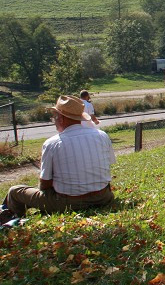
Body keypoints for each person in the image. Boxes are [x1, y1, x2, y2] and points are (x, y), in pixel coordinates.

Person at [0, 96, 115, 224]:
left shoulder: (52, 143)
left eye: (54, 117)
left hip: (68, 203)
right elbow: (108, 165)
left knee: (15, 191)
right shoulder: (102, 135)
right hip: (103, 197)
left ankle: (14, 221)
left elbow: (45, 185)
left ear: (61, 118)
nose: (54, 121)